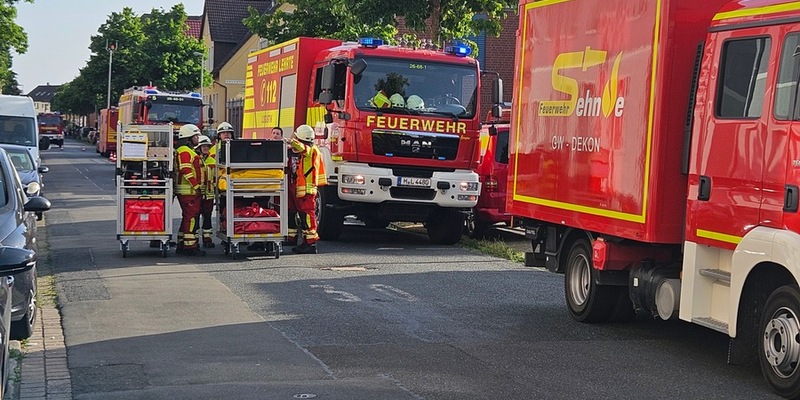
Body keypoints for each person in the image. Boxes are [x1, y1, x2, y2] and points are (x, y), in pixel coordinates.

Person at [286, 124, 327, 254]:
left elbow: (303, 148)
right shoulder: (297, 150)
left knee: (307, 216)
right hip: (296, 186)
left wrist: (290, 141)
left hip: (306, 190)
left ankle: (310, 243)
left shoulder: (311, 149)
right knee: (291, 212)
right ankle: (291, 237)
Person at [174, 124, 205, 256]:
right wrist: (196, 186)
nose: (198, 138)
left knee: (187, 217)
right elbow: (186, 170)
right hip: (189, 192)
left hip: (189, 191)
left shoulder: (186, 150)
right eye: (196, 136)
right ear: (188, 137)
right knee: (191, 217)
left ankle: (182, 242)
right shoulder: (185, 151)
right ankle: (189, 247)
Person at [195, 135, 215, 248]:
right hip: (198, 193)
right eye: (204, 146)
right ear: (199, 148)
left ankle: (207, 239)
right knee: (196, 216)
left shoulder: (212, 160)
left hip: (209, 193)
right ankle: (196, 239)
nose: (206, 148)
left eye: (207, 146)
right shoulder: (196, 159)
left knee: (207, 216)